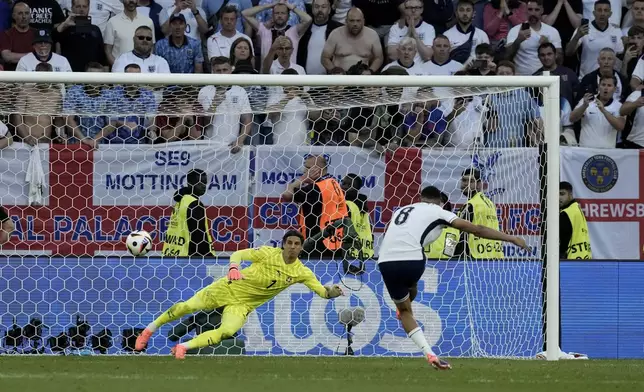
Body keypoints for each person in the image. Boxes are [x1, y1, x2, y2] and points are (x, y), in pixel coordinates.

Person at [378, 185, 528, 370]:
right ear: (440, 202)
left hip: (384, 260)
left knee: (405, 310)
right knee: (411, 283)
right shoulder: (439, 212)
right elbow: (477, 229)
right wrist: (511, 238)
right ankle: (406, 306)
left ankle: (428, 352)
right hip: (413, 261)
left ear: (420, 197)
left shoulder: (401, 210)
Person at [136, 231, 344, 358]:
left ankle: (183, 347)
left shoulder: (302, 272)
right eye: (289, 243)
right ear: (283, 244)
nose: (292, 247)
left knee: (227, 331)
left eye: (296, 244)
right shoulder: (267, 253)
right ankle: (147, 332)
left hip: (242, 305)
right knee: (187, 307)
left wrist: (332, 293)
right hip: (226, 287)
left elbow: (322, 292)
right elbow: (238, 253)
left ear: (300, 249)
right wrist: (234, 267)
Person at [281, 154, 348, 260]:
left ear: (317, 169)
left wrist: (302, 179)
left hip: (316, 243)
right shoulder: (334, 183)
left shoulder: (315, 189)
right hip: (336, 241)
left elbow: (287, 195)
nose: (304, 170)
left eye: (307, 168)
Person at [162, 169, 216, 257]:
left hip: (172, 254)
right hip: (189, 257)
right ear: (190, 183)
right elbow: (198, 234)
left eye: (205, 183)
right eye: (200, 183)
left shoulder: (181, 200)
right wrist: (208, 256)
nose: (203, 186)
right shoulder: (195, 204)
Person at [454, 168, 505, 259]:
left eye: (471, 181)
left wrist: (454, 256)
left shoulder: (471, 205)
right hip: (494, 254)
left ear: (479, 184)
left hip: (475, 256)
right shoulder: (489, 203)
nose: (466, 184)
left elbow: (460, 234)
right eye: (464, 180)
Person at [341, 173, 374, 260]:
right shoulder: (363, 204)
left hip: (347, 249)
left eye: (343, 183)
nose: (341, 186)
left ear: (348, 185)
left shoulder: (345, 204)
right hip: (363, 249)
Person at [559, 181, 591, 260]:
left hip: (571, 260)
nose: (559, 197)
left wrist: (560, 256)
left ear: (570, 195)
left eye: (562, 194)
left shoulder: (566, 213)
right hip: (585, 257)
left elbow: (564, 241)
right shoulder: (576, 208)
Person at [424, 191, 460, 259]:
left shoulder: (455, 229)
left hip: (448, 266)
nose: (434, 205)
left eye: (438, 202)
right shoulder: (421, 226)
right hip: (424, 265)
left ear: (445, 204)